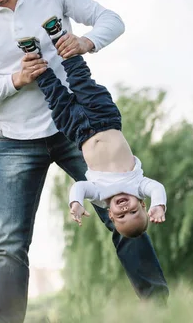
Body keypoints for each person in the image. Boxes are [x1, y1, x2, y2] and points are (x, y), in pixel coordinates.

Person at [0, 0, 169, 323]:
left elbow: (112, 20)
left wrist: (86, 42)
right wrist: (16, 79)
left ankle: (160, 309)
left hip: (78, 133)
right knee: (9, 243)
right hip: (17, 142)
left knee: (119, 219)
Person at [16, 17, 167, 238]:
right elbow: (157, 188)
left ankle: (33, 54)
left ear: (111, 216)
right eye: (134, 211)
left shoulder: (98, 195)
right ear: (142, 204)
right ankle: (58, 35)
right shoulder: (138, 186)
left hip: (77, 131)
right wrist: (160, 205)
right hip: (104, 118)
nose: (125, 210)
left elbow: (79, 187)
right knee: (80, 78)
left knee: (53, 93)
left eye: (122, 216)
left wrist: (76, 202)